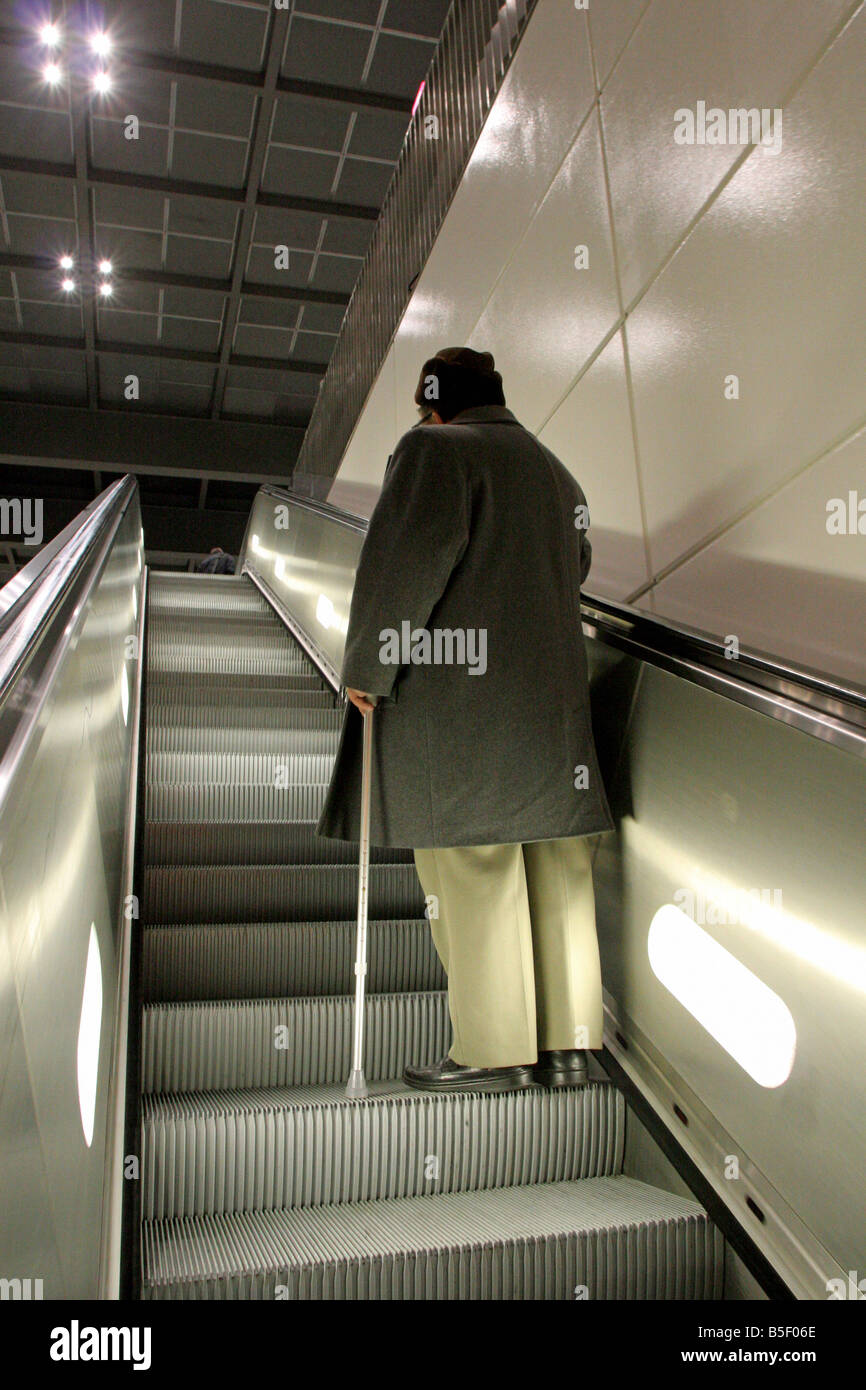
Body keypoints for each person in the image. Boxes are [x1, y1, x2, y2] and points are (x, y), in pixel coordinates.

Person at [316, 347, 614, 1094]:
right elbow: (573, 563)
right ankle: (571, 1047)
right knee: (559, 870)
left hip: (461, 713)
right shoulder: (554, 470)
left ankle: (494, 1050)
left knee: (475, 870)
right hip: (552, 717)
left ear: (435, 403)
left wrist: (367, 669)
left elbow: (405, 564)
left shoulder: (432, 451)